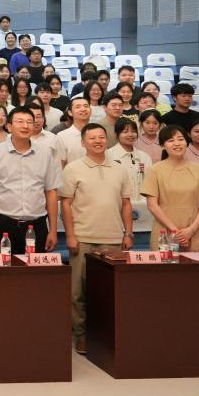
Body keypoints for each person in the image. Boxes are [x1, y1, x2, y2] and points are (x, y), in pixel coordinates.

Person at [60, 122, 135, 355]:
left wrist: (128, 233)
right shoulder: (72, 169)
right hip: (82, 237)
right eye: (92, 138)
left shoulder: (120, 168)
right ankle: (81, 335)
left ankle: (105, 335)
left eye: (101, 137)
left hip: (113, 238)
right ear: (83, 142)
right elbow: (66, 204)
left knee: (109, 291)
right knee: (78, 291)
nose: (97, 141)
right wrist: (70, 235)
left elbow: (126, 203)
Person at [0, 107, 62, 254]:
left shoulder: (45, 154)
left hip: (37, 225)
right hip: (5, 225)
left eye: (29, 122)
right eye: (20, 121)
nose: (25, 126)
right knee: (6, 268)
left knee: (35, 268)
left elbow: (51, 192)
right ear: (9, 126)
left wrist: (53, 230)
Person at [142, 125, 199, 251]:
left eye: (180, 139)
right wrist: (175, 231)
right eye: (171, 140)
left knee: (196, 263)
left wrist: (191, 230)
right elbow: (152, 205)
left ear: (187, 142)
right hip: (165, 233)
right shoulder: (154, 170)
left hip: (194, 231)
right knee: (165, 263)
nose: (177, 143)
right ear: (162, 145)